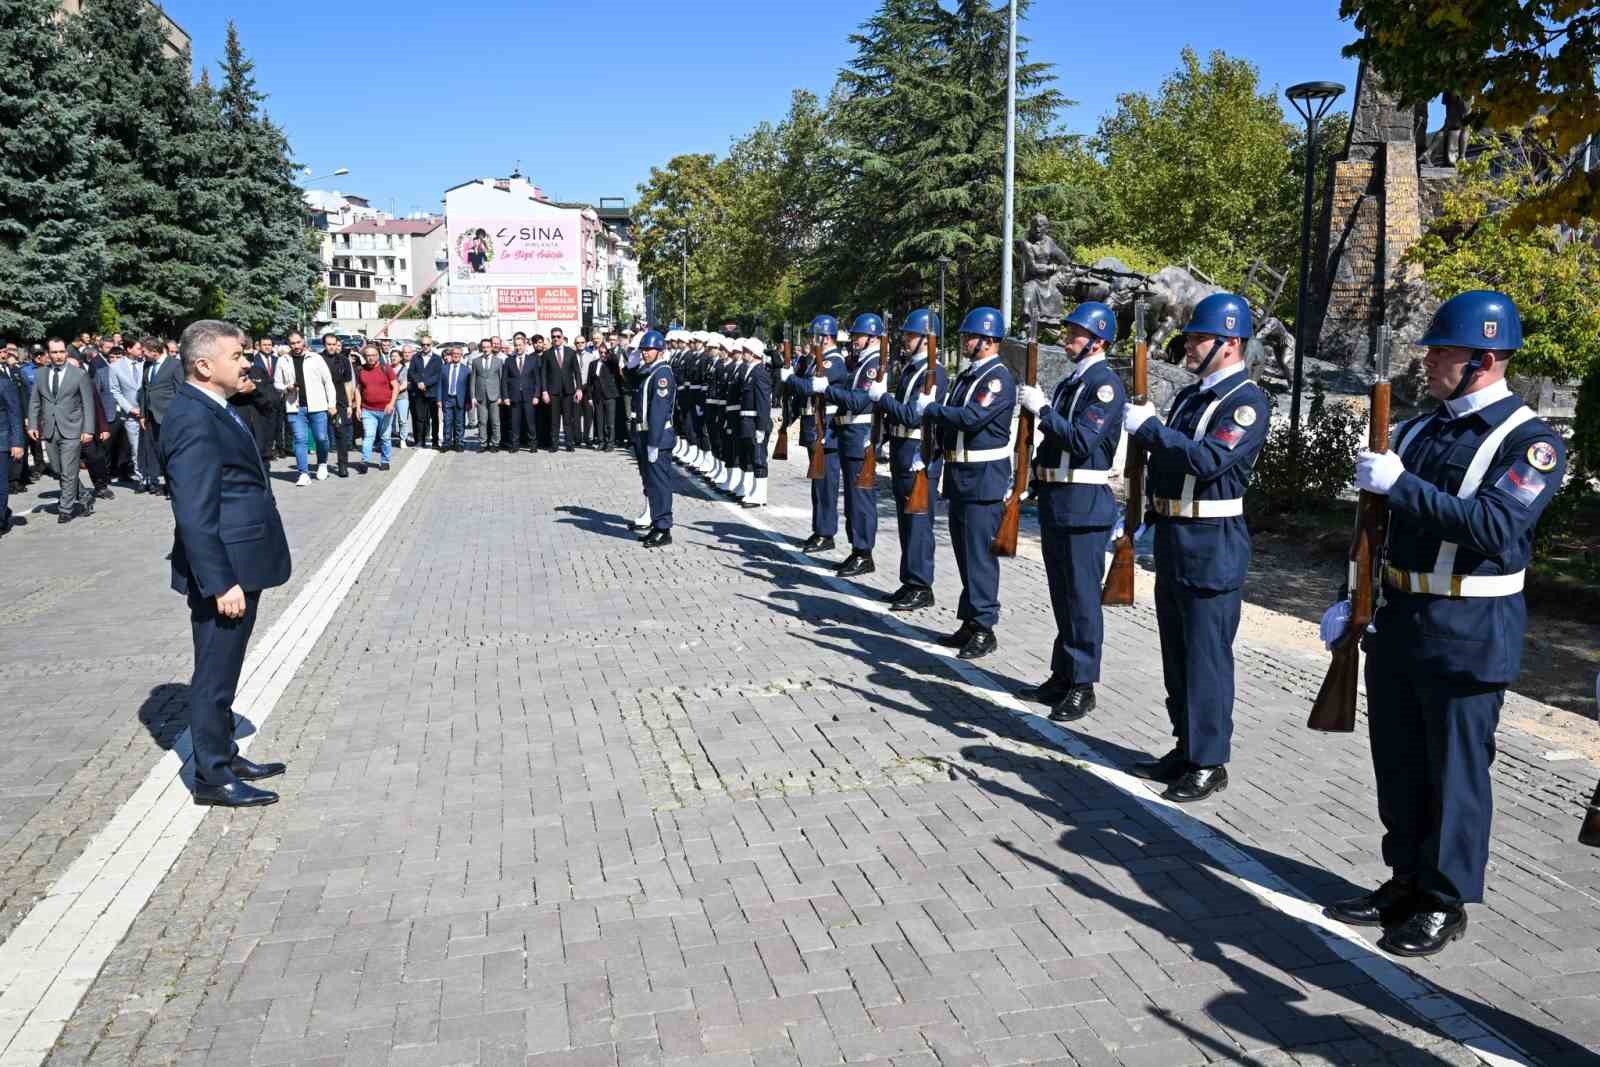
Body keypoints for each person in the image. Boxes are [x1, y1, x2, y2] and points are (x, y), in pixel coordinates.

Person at [1321, 291, 1566, 957]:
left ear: (1482, 359)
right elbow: (1374, 529)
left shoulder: (1532, 442)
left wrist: (1400, 484)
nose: (1427, 360)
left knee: (1455, 771)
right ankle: (1403, 879)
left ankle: (1444, 898)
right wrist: (1352, 595)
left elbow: (1493, 524)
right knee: (1399, 763)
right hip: (1400, 617)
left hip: (1469, 627)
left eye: (1441, 350)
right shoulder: (1418, 429)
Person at [1121, 293, 1270, 802]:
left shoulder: (1246, 402)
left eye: (1199, 338)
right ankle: (1185, 746)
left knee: (1207, 658)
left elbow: (1208, 461)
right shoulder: (1190, 397)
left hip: (1213, 544)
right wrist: (1147, 519)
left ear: (1230, 345)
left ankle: (1209, 760)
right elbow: (1166, 465)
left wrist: (1153, 430)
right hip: (1175, 537)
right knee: (1177, 655)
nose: (1188, 345)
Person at [160, 320, 290, 808]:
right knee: (214, 672)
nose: (247, 362)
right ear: (203, 365)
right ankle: (211, 775)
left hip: (241, 559)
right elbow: (194, 512)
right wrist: (220, 582)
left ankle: (224, 753)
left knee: (226, 666)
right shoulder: (193, 417)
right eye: (238, 356)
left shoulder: (217, 406)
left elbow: (266, 412)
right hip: (226, 570)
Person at [1016, 301, 1127, 721]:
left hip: (1084, 505)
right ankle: (1063, 673)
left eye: (1075, 334)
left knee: (1081, 599)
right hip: (1058, 501)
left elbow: (1081, 441)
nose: (1067, 339)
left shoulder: (1104, 386)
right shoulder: (1068, 384)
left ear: (1098, 341)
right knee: (1062, 594)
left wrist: (1042, 411)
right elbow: (1049, 444)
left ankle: (1083, 684)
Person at [901, 307, 1015, 659]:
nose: (965, 341)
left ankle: (984, 627)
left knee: (980, 557)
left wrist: (930, 409)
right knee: (966, 555)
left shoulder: (997, 378)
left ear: (990, 340)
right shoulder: (969, 376)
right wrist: (931, 451)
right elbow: (953, 424)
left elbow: (971, 418)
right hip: (960, 476)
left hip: (983, 481)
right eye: (965, 336)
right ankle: (969, 620)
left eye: (971, 337)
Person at [869, 308, 949, 611]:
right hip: (903, 452)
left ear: (928, 340)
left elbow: (914, 417)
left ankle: (921, 585)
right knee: (906, 521)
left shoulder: (934, 372)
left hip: (919, 455)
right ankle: (909, 580)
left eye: (912, 335)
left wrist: (883, 397)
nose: (905, 339)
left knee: (918, 522)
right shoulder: (911, 370)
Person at [810, 313, 885, 576]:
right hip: (849, 435)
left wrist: (825, 390)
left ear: (873, 338)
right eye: (853, 336)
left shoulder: (874, 364)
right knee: (853, 500)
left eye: (858, 336)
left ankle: (864, 553)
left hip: (860, 436)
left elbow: (856, 401)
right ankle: (857, 550)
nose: (854, 340)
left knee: (861, 499)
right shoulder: (860, 363)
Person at [784, 315, 848, 554]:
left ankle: (826, 532)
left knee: (825, 484)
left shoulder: (833, 362)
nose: (810, 340)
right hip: (815, 427)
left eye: (814, 336)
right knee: (817, 482)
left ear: (827, 337)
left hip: (827, 429)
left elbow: (812, 387)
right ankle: (819, 529)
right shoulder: (816, 360)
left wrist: (791, 379)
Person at [28, 338, 99, 523]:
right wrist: (33, 425)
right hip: (50, 429)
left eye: (61, 352)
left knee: (68, 470)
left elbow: (88, 404)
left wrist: (88, 429)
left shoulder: (78, 374)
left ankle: (65, 508)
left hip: (73, 428)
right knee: (58, 470)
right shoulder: (41, 374)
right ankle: (84, 495)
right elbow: (35, 401)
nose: (58, 356)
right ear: (48, 354)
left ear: (66, 353)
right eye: (54, 352)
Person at [272, 332, 338, 486]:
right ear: (289, 344)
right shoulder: (283, 360)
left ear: (304, 342)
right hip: (295, 407)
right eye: (292, 343)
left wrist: (331, 404)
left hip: (317, 406)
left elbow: (328, 382)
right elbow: (276, 383)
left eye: (298, 342)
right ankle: (303, 473)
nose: (296, 346)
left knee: (321, 437)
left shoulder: (315, 358)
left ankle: (322, 463)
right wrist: (286, 388)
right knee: (300, 440)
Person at [630, 330, 675, 547]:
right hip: (644, 434)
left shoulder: (662, 374)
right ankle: (656, 524)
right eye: (643, 350)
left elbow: (658, 410)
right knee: (650, 482)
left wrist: (654, 443)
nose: (645, 353)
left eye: (649, 350)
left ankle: (663, 528)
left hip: (656, 437)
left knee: (660, 483)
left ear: (660, 351)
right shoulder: (648, 371)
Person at [139, 338, 182, 496]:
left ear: (154, 351)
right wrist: (143, 414)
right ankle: (161, 484)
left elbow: (180, 391)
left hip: (168, 416)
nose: (142, 354)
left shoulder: (175, 365)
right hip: (151, 417)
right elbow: (144, 390)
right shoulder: (147, 365)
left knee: (171, 452)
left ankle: (174, 487)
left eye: (144, 351)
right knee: (158, 452)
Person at [736, 338, 772, 506]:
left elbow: (764, 403)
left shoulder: (760, 373)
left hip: (755, 421)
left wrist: (761, 427)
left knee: (758, 458)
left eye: (746, 351)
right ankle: (752, 491)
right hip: (746, 420)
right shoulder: (750, 371)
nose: (743, 354)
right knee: (750, 457)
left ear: (754, 353)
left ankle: (760, 495)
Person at [355, 344, 398, 471]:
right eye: (368, 356)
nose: (371, 358)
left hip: (385, 410)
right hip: (368, 410)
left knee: (385, 437)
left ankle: (385, 460)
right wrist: (358, 407)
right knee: (369, 435)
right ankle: (365, 461)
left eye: (373, 355)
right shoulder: (360, 370)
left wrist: (391, 403)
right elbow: (358, 390)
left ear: (378, 356)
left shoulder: (386, 368)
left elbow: (395, 386)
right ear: (364, 357)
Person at [542, 328, 582, 451]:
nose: (556, 339)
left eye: (558, 336)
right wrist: (544, 391)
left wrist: (579, 388)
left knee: (568, 419)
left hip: (568, 391)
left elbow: (577, 372)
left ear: (563, 337)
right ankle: (554, 445)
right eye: (553, 336)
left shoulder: (571, 352)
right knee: (554, 421)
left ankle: (569, 444)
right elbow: (543, 374)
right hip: (553, 392)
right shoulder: (547, 354)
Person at [320, 334, 355, 477]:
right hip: (321, 401)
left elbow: (347, 384)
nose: (332, 347)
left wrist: (349, 404)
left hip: (340, 402)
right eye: (329, 344)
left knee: (340, 433)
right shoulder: (318, 359)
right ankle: (322, 465)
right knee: (321, 435)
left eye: (334, 344)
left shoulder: (344, 360)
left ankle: (342, 465)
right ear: (324, 345)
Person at [500, 332, 540, 453]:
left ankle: (533, 444)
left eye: (520, 345)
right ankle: (515, 445)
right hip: (514, 397)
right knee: (514, 423)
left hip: (529, 396)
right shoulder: (509, 361)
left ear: (525, 346)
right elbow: (504, 381)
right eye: (516, 345)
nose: (518, 347)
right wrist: (505, 397)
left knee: (530, 422)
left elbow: (537, 380)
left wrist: (536, 395)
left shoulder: (532, 360)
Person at [586, 335, 622, 453]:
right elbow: (590, 382)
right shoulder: (593, 364)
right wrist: (590, 397)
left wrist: (609, 350)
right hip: (597, 396)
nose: (603, 355)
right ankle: (601, 442)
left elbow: (615, 361)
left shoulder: (611, 362)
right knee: (599, 420)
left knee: (610, 422)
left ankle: (610, 443)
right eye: (601, 352)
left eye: (604, 352)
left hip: (610, 395)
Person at [409, 335, 443, 449]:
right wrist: (418, 382)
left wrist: (426, 383)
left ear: (431, 345)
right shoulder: (415, 357)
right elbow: (412, 372)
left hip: (432, 393)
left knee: (434, 418)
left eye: (428, 344)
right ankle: (420, 441)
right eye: (423, 344)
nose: (425, 347)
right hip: (419, 393)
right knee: (420, 418)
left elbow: (438, 375)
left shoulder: (437, 359)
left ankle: (435, 442)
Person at [471, 339, 504, 452]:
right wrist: (473, 396)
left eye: (488, 347)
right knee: (482, 421)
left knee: (495, 421)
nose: (485, 349)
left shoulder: (498, 361)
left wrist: (501, 396)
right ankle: (483, 444)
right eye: (483, 347)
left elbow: (501, 379)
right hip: (480, 396)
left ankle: (495, 443)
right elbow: (473, 379)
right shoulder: (476, 361)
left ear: (491, 347)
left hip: (494, 396)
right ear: (481, 348)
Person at [0, 361, 20, 535]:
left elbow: (14, 412)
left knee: (0, 484)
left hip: (2, 440)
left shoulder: (5, 383)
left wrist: (17, 442)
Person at [439, 346, 472, 451]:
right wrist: (439, 400)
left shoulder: (466, 370)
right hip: (447, 399)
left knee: (459, 423)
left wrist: (468, 401)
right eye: (454, 353)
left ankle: (459, 443)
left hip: (460, 400)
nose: (456, 355)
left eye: (458, 354)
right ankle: (446, 443)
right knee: (447, 422)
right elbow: (440, 384)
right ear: (451, 355)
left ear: (461, 355)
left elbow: (468, 388)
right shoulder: (444, 368)